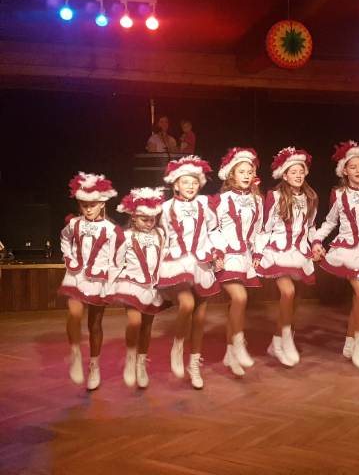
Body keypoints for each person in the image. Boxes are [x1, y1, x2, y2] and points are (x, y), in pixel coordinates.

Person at [312, 141, 359, 369]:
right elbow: (330, 222)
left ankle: (350, 343)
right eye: (353, 167)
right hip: (347, 251)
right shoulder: (339, 194)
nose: (358, 170)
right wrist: (317, 240)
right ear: (344, 171)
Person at [157, 155, 219, 389]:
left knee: (200, 316)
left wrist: (217, 252)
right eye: (185, 182)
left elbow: (213, 230)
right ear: (175, 185)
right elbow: (161, 236)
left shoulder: (204, 205)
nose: (190, 186)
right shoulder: (165, 208)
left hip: (201, 262)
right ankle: (178, 344)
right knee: (187, 304)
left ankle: (194, 364)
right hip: (178, 262)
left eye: (194, 182)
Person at [256, 147, 320, 366]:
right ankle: (284, 340)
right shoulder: (274, 196)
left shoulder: (311, 197)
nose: (298, 175)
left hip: (300, 253)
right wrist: (258, 252)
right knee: (288, 291)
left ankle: (279, 341)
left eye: (301, 171)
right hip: (279, 252)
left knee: (294, 300)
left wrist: (316, 244)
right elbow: (264, 228)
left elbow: (311, 227)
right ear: (284, 175)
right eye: (293, 172)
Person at [59, 171, 121, 390]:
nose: (88, 209)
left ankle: (94, 365)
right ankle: (75, 353)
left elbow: (116, 258)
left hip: (99, 279)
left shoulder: (111, 230)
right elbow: (64, 238)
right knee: (74, 314)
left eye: (92, 205)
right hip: (76, 276)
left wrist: (112, 281)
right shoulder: (74, 224)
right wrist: (69, 258)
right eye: (84, 205)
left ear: (102, 203)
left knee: (95, 324)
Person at [209, 147, 263, 377]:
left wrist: (258, 254)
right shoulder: (221, 200)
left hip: (246, 258)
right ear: (231, 174)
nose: (246, 175)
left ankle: (231, 353)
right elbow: (212, 228)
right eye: (241, 171)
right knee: (240, 298)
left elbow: (259, 231)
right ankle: (239, 343)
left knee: (236, 305)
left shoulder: (257, 200)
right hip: (226, 257)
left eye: (250, 172)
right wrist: (218, 252)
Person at [111, 187, 168, 388]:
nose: (150, 223)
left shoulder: (160, 234)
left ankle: (141, 362)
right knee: (134, 322)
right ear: (134, 217)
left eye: (153, 219)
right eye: (145, 219)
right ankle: (130, 357)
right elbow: (116, 261)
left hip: (153, 287)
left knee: (146, 326)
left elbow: (163, 257)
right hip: (132, 284)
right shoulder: (125, 236)